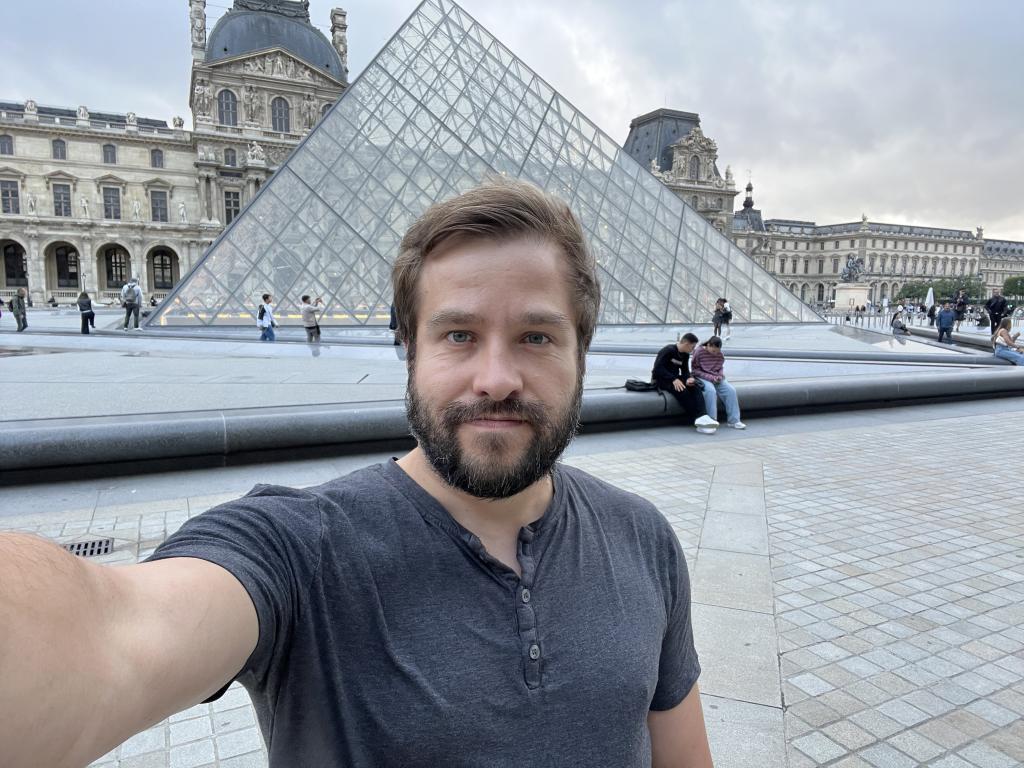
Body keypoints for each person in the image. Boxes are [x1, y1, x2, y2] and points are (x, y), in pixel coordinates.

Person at [0, 180, 713, 768]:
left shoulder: (643, 538)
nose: (497, 378)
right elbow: (111, 631)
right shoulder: (298, 551)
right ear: (410, 350)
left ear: (581, 354)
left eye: (536, 336)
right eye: (459, 334)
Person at [651, 332, 713, 430]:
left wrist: (688, 378)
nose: (692, 350)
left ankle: (703, 416)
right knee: (682, 391)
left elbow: (685, 370)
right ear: (686, 344)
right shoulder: (668, 350)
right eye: (692, 347)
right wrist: (673, 379)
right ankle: (697, 419)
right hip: (661, 379)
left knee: (695, 386)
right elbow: (657, 369)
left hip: (675, 378)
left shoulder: (685, 355)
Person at [691, 335, 745, 429]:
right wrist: (711, 377)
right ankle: (712, 420)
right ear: (708, 345)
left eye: (717, 351)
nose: (715, 353)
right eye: (713, 351)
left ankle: (734, 421)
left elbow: (720, 368)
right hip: (702, 377)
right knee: (710, 391)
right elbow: (695, 370)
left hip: (716, 377)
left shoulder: (719, 354)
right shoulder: (699, 352)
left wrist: (719, 376)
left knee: (731, 390)